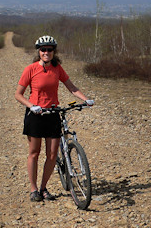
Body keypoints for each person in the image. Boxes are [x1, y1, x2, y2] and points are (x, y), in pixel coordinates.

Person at [15, 35, 94, 202]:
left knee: (51, 155)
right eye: (43, 50)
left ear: (53, 51)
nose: (46, 52)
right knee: (34, 153)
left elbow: (71, 87)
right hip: (36, 114)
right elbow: (18, 94)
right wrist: (31, 106)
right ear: (39, 51)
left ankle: (43, 188)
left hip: (53, 114)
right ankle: (33, 189)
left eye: (49, 50)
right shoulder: (30, 69)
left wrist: (85, 99)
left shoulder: (57, 68)